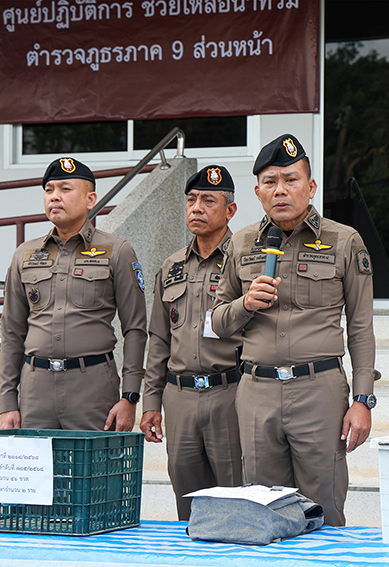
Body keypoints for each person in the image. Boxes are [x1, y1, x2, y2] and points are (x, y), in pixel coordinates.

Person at [211, 134, 379, 527]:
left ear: (311, 186)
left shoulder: (343, 241)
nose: (280, 190)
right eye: (270, 182)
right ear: (257, 191)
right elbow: (216, 322)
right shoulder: (241, 243)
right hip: (257, 393)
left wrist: (363, 400)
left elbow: (360, 328)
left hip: (317, 391)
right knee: (264, 513)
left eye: (291, 179)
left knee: (322, 508)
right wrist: (244, 304)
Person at [0, 157, 147, 431]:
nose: (55, 197)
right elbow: (12, 332)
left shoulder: (117, 250)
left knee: (93, 472)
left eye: (65, 189)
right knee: (38, 471)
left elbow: (136, 329)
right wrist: (8, 401)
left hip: (92, 387)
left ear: (90, 199)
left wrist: (129, 396)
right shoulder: (25, 254)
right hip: (36, 391)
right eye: (49, 190)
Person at [140, 164, 243, 520]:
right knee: (187, 503)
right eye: (191, 200)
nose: (196, 208)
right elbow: (158, 339)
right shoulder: (171, 267)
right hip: (179, 397)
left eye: (207, 200)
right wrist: (151, 401)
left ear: (230, 210)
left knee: (234, 501)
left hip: (229, 392)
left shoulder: (245, 260)